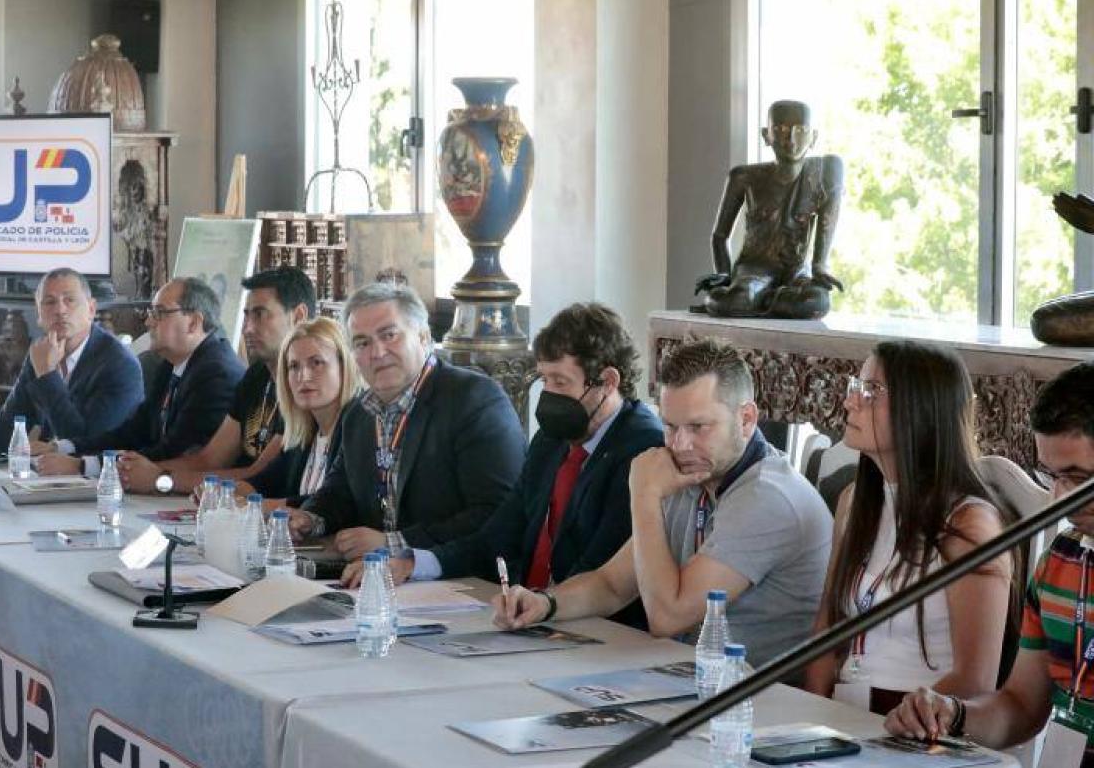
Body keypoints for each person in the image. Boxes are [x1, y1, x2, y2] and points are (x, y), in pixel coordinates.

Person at [492, 339, 832, 671]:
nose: (681, 444)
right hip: (687, 678)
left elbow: (667, 617)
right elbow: (612, 584)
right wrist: (545, 603)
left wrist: (643, 495)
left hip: (761, 700)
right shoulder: (692, 471)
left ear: (745, 420)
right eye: (670, 426)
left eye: (699, 427)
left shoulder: (767, 497)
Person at [340, 303, 663, 597]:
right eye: (544, 379)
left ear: (607, 381)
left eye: (560, 382)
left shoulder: (641, 449)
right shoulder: (552, 441)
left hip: (596, 624)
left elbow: (603, 568)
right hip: (534, 613)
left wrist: (543, 605)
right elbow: (497, 535)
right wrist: (414, 564)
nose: (548, 394)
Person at [885, 362, 1094, 763]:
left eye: (1078, 478)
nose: (1060, 499)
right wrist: (955, 714)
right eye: (1052, 476)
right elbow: (1020, 706)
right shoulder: (1060, 561)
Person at [804, 341, 1016, 715]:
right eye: (857, 387)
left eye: (872, 392)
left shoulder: (969, 524)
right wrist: (814, 718)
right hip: (845, 716)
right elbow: (827, 633)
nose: (851, 402)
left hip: (919, 728)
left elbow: (975, 681)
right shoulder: (853, 501)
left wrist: (892, 727)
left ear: (922, 410)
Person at [288, 282, 526, 561]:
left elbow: (497, 513)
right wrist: (311, 517)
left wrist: (396, 543)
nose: (377, 352)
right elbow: (340, 491)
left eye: (389, 335)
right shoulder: (358, 414)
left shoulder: (474, 400)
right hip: (382, 578)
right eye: (362, 343)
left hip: (465, 580)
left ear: (424, 337)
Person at [115, 267, 316, 495]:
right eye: (246, 316)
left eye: (259, 314)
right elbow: (210, 459)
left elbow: (258, 475)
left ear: (299, 316)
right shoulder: (257, 375)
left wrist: (161, 480)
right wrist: (136, 471)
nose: (247, 329)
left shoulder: (306, 386)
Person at [33, 277, 244, 476]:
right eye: (150, 312)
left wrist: (83, 466)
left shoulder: (216, 375)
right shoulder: (170, 364)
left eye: (159, 313)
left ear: (194, 323)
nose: (148, 322)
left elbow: (175, 453)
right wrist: (61, 447)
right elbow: (132, 434)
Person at [696, 100, 844, 319]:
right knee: (731, 301)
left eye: (801, 130)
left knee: (817, 301)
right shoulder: (744, 177)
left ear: (813, 137)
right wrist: (725, 274)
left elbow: (826, 229)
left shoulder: (826, 171)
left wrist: (820, 267)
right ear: (766, 135)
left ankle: (765, 300)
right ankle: (766, 299)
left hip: (795, 272)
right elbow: (719, 236)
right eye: (781, 130)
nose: (791, 140)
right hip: (753, 270)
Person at [0, 268, 143, 455]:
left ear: (91, 309)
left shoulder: (120, 365)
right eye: (50, 302)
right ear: (39, 315)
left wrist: (48, 375)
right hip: (50, 473)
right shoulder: (41, 352)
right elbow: (8, 424)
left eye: (70, 300)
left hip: (102, 476)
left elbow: (85, 445)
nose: (60, 310)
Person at [238, 317, 360, 505]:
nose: (304, 376)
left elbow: (338, 503)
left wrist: (259, 506)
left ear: (345, 368)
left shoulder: (359, 429)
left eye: (316, 363)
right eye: (294, 366)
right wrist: (226, 492)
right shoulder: (305, 432)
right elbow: (265, 481)